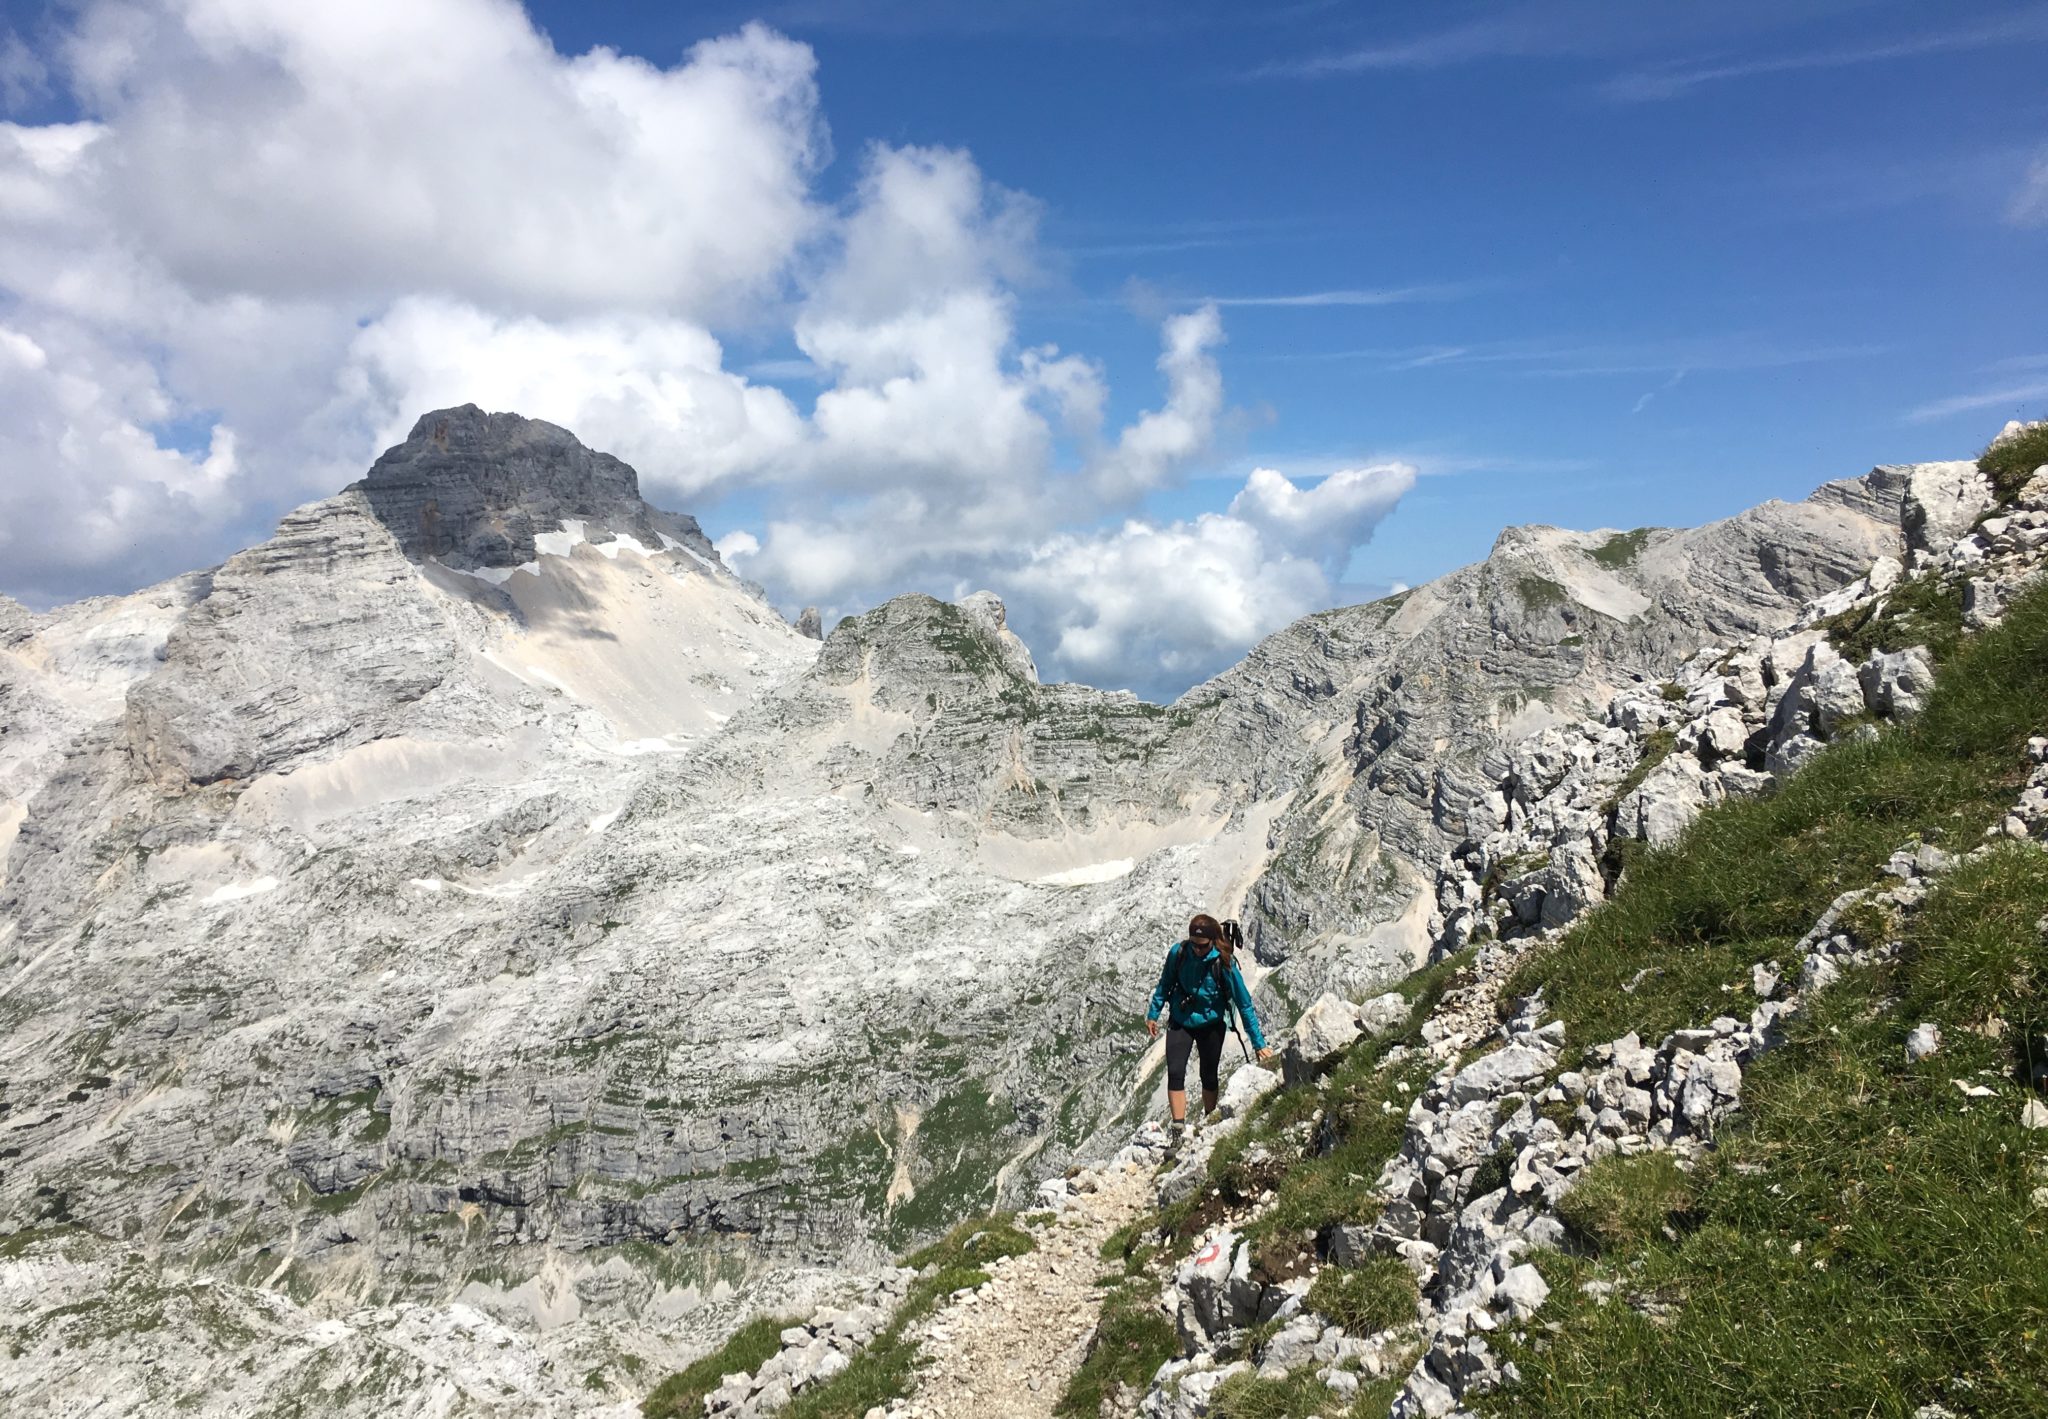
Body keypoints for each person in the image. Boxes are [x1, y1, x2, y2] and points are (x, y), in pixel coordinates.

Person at [1146, 914, 1274, 1143]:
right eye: (1193, 944)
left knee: (1209, 1076)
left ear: (1213, 941)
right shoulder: (1179, 953)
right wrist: (1153, 1013)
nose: (1197, 950)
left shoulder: (1225, 963)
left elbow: (1244, 1004)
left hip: (1211, 1024)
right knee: (1175, 1072)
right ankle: (1178, 1132)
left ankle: (1208, 1121)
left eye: (1202, 946)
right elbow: (1165, 983)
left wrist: (1258, 1044)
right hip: (1181, 1019)